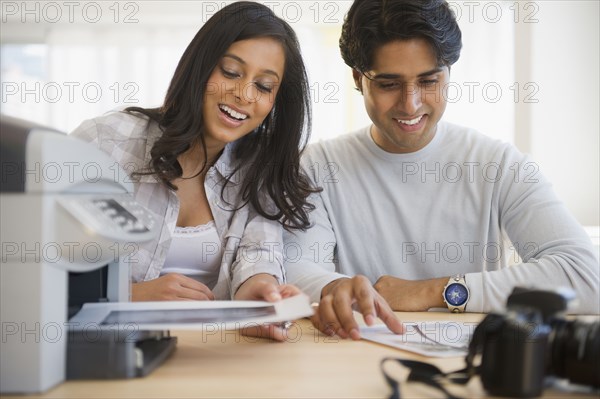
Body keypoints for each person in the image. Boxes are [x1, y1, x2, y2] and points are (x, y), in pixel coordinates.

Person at [284, 0, 600, 340]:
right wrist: (337, 288)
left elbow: (586, 277)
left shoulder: (499, 165)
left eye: (428, 81)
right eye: (389, 84)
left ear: (448, 73)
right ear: (359, 79)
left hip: (467, 372)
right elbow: (295, 267)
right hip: (351, 361)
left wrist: (434, 291)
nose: (411, 104)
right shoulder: (316, 167)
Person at [71, 1, 317, 340]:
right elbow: (36, 264)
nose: (244, 94)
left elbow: (259, 253)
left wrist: (261, 296)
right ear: (200, 68)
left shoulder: (259, 166)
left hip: (208, 358)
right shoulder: (106, 141)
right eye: (230, 72)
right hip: (104, 354)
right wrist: (129, 295)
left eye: (263, 86)